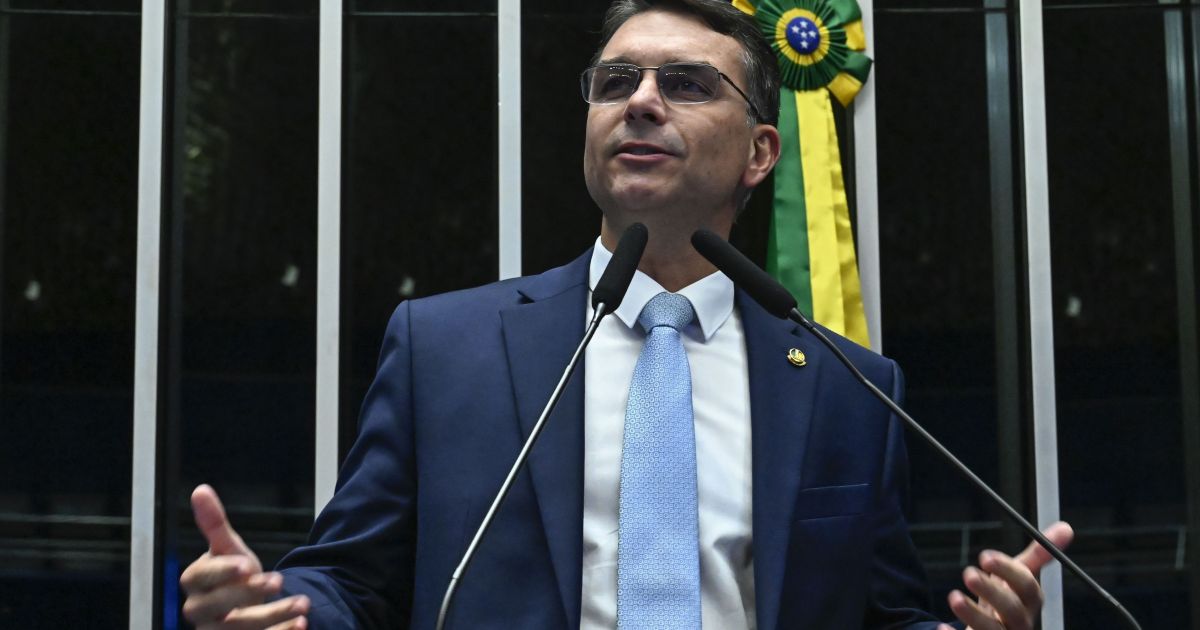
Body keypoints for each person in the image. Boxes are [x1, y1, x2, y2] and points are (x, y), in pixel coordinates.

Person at [179, 1, 1074, 628]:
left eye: (686, 84)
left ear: (761, 152)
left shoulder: (849, 385)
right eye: (615, 82)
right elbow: (352, 581)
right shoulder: (445, 349)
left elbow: (882, 614)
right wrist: (281, 611)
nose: (640, 100)